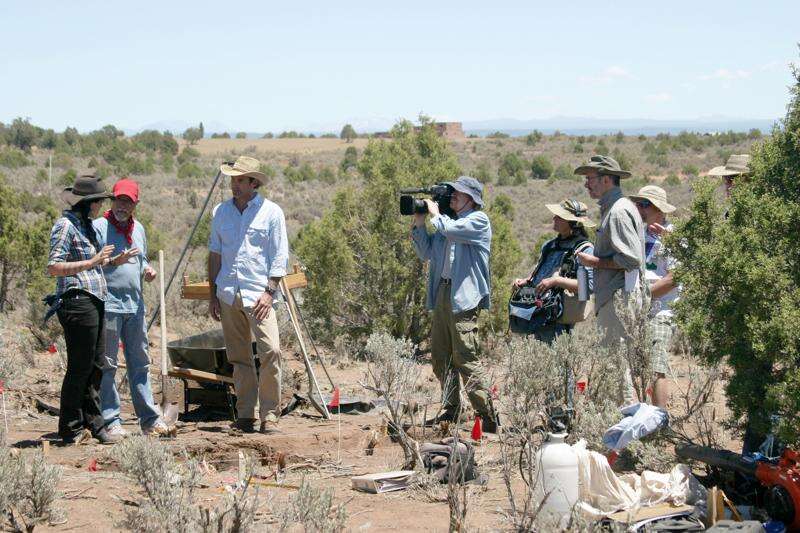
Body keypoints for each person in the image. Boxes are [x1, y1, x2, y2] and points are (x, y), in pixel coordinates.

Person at [410, 176, 498, 431]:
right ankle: (450, 410)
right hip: (443, 293)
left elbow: (449, 230)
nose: (454, 196)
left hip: (464, 297)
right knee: (441, 357)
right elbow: (426, 253)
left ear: (472, 198)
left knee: (466, 357)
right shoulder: (447, 223)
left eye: (459, 193)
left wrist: (436, 214)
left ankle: (488, 416)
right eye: (453, 192)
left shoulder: (477, 221)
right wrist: (419, 220)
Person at [208, 156, 288, 434]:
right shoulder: (221, 212)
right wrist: (213, 293)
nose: (235, 185)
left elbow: (279, 256)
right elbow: (215, 253)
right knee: (239, 356)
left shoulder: (271, 212)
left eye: (240, 180)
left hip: (259, 295)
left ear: (253, 183)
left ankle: (270, 414)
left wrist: (270, 292)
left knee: (271, 351)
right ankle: (245, 414)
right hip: (229, 292)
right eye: (233, 179)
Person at [46, 174, 120, 444]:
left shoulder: (86, 225)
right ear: (89, 203)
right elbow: (54, 266)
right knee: (80, 366)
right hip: (77, 301)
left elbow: (93, 262)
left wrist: (111, 261)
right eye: (99, 202)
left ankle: (94, 424)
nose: (101, 207)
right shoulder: (65, 226)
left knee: (96, 365)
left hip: (94, 300)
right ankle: (70, 427)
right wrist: (92, 262)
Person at [93, 178, 169, 437]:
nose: (121, 206)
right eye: (118, 200)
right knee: (108, 364)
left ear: (135, 204)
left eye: (127, 202)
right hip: (109, 304)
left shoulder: (139, 229)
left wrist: (146, 269)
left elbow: (142, 257)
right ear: (112, 201)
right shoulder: (100, 227)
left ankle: (149, 420)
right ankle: (110, 420)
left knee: (140, 363)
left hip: (135, 305)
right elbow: (91, 264)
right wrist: (115, 261)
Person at [573, 155, 645, 405]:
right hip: (615, 297)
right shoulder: (617, 208)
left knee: (616, 367)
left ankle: (622, 430)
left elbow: (631, 259)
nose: (586, 184)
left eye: (590, 179)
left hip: (617, 298)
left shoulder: (618, 212)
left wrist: (595, 263)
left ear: (605, 179)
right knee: (614, 364)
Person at [512, 198, 596, 343]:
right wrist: (525, 281)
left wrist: (557, 281)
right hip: (536, 310)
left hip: (559, 317)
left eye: (560, 216)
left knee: (556, 360)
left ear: (573, 223)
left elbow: (586, 288)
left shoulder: (584, 249)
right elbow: (539, 273)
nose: (554, 218)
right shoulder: (549, 246)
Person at [628, 185, 679, 409]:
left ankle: (659, 421)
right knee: (634, 367)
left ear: (659, 208)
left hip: (661, 311)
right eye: (638, 204)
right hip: (636, 310)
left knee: (657, 365)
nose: (639, 208)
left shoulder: (674, 236)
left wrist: (643, 296)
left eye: (645, 204)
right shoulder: (637, 234)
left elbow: (674, 277)